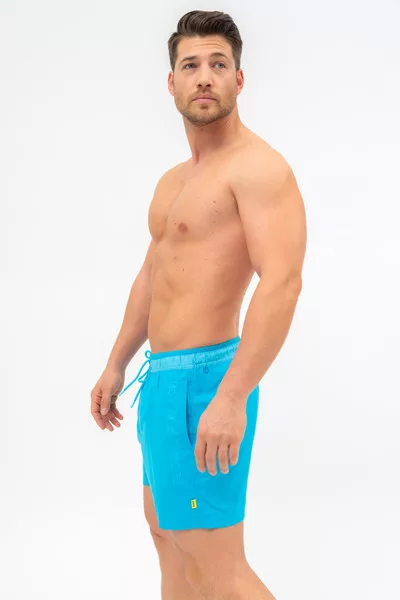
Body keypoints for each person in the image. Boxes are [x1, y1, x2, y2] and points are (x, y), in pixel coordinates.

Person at [90, 9, 307, 600]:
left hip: (208, 383)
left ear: (240, 79)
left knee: (218, 567)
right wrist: (116, 362)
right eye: (191, 65)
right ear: (172, 82)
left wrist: (231, 396)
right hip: (160, 380)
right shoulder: (174, 181)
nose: (204, 76)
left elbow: (283, 283)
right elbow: (153, 274)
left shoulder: (258, 169)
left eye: (218, 64)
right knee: (170, 544)